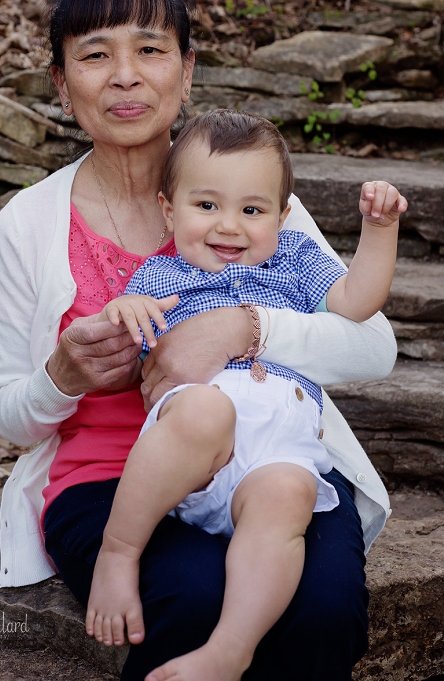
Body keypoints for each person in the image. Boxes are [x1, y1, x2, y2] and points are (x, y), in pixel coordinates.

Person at [0, 0, 397, 681]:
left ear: (186, 68)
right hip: (109, 479)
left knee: (324, 607)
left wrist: (246, 328)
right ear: (60, 82)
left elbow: (375, 345)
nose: (124, 76)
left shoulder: (249, 193)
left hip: (266, 461)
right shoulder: (27, 224)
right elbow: (10, 416)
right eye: (94, 54)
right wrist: (63, 377)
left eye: (149, 49)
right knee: (193, 595)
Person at [87, 109, 407, 681]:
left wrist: (379, 233)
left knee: (290, 491)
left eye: (252, 211)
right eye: (206, 206)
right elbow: (123, 345)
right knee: (207, 410)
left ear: (284, 218)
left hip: (278, 442)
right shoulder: (159, 277)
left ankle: (229, 650)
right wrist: (123, 311)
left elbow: (358, 305)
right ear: (169, 209)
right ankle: (119, 553)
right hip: (198, 449)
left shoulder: (299, 262)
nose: (229, 226)